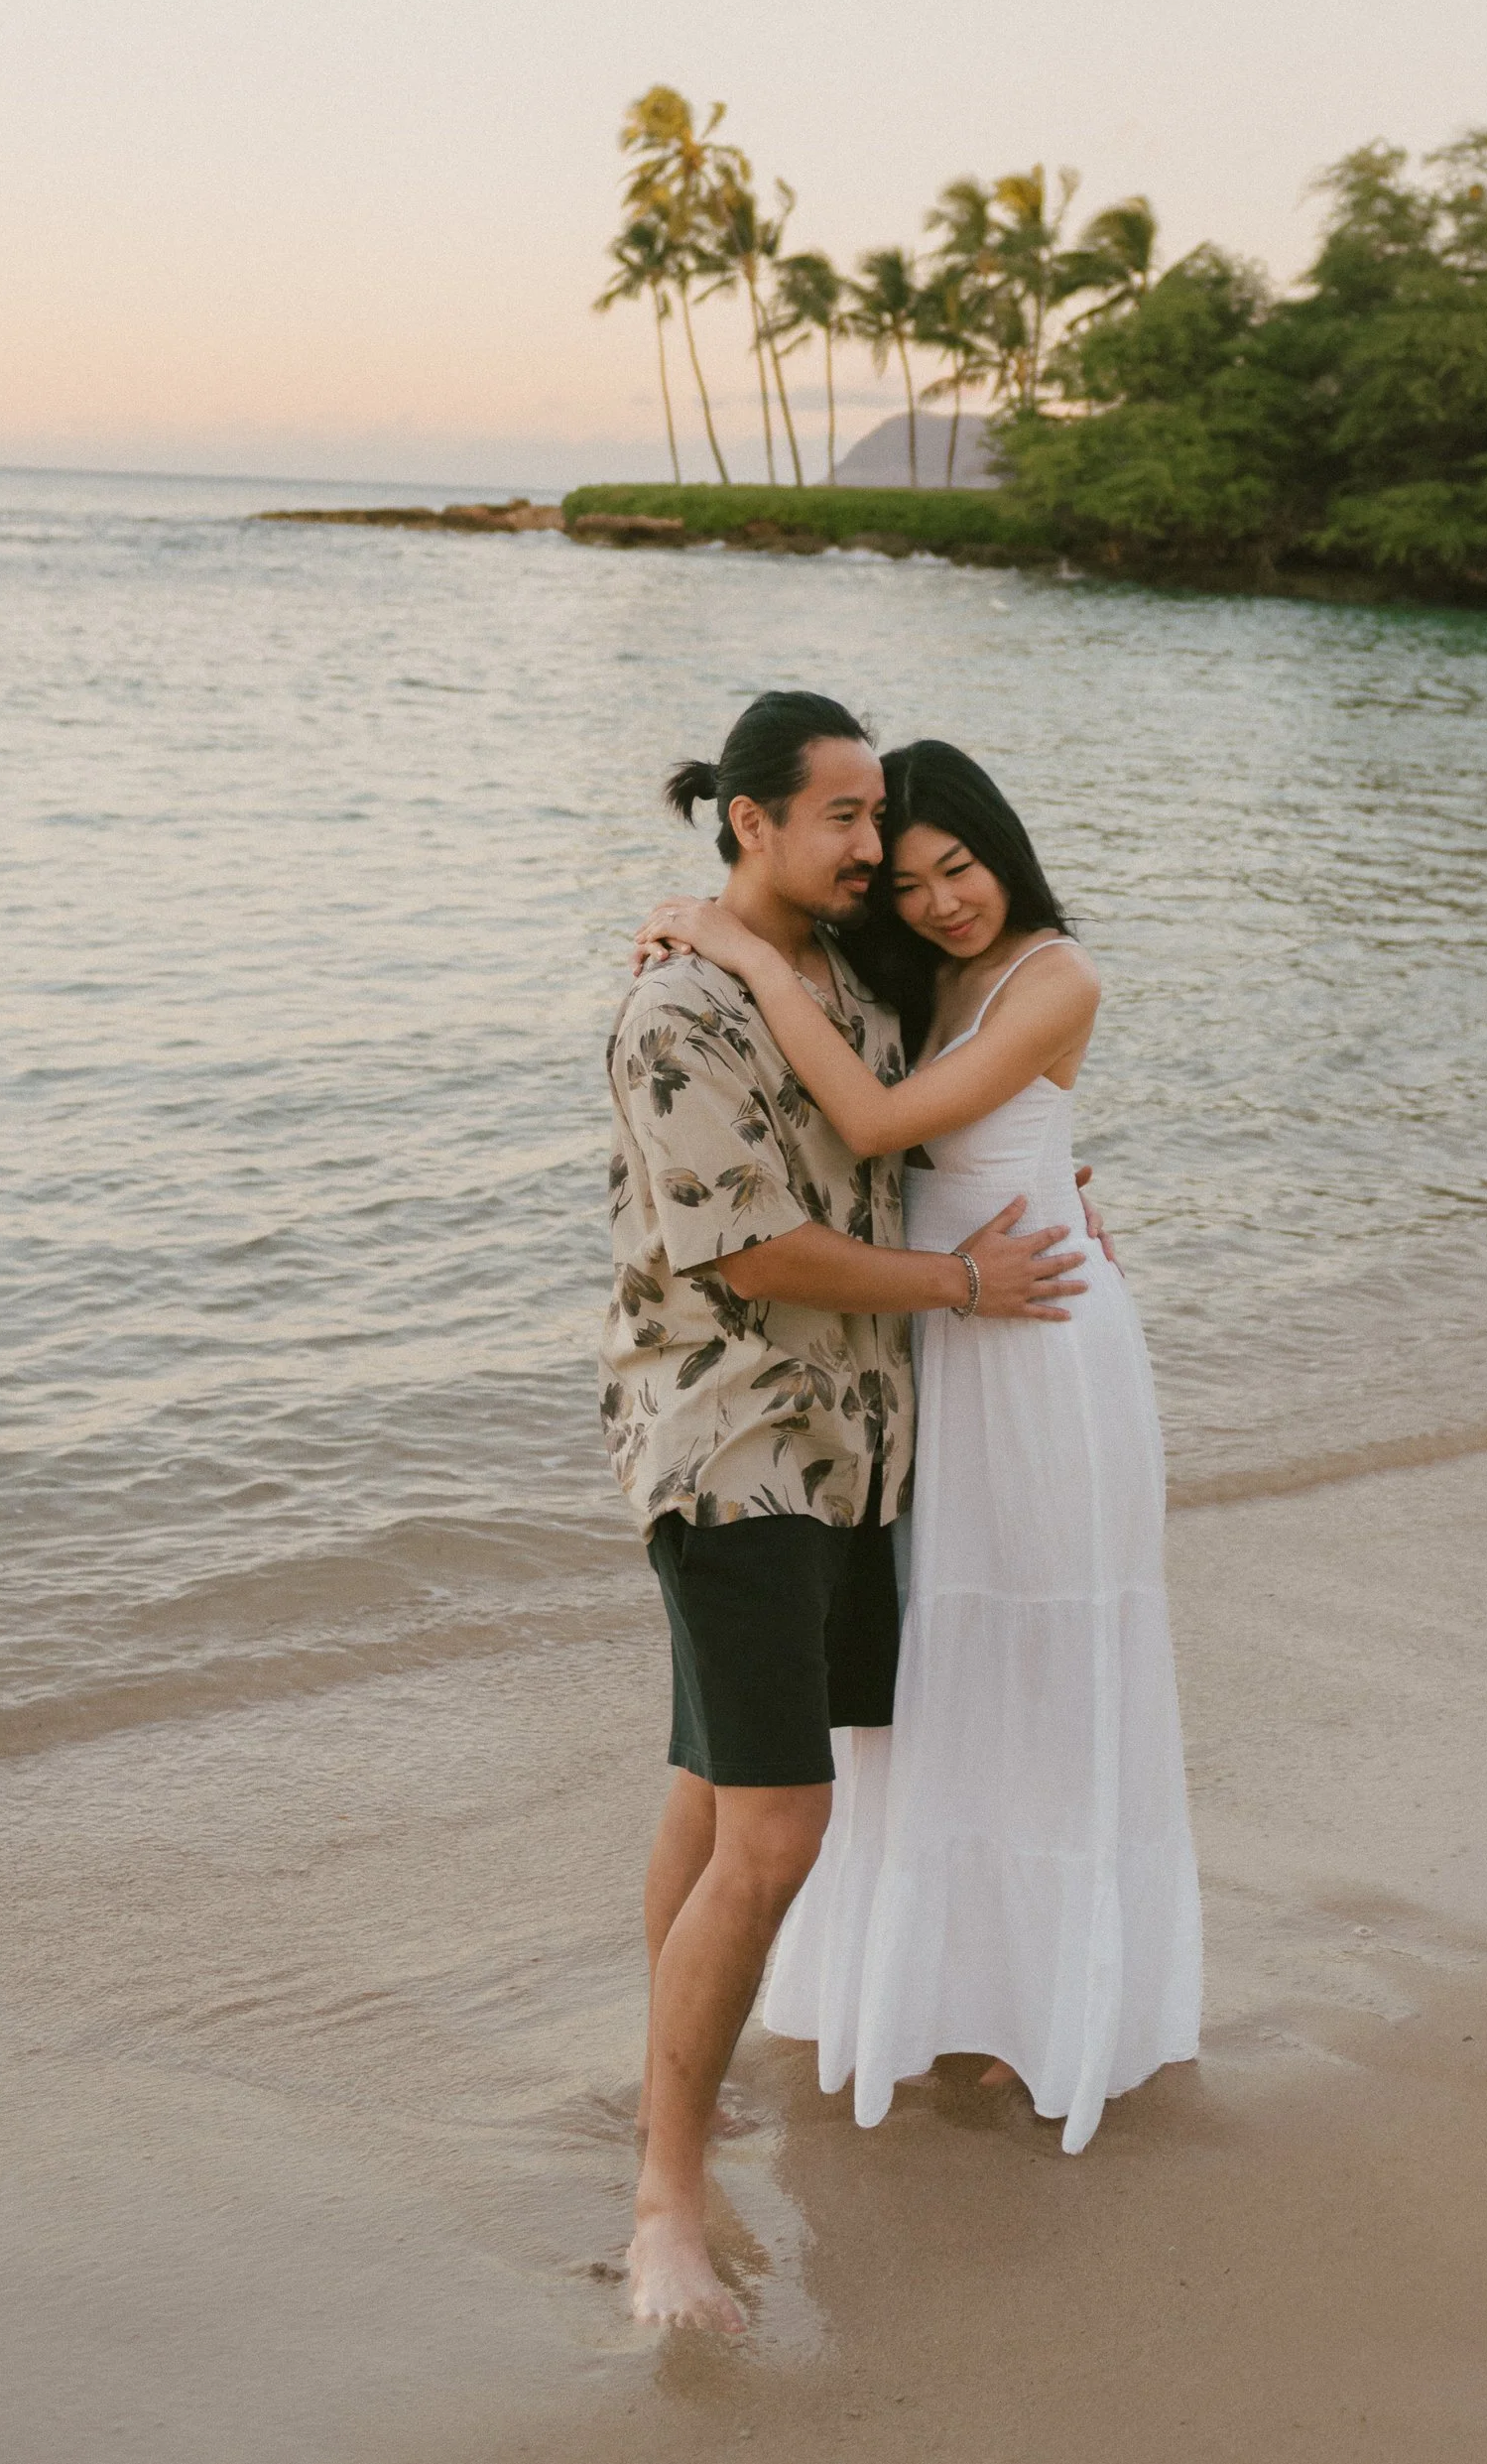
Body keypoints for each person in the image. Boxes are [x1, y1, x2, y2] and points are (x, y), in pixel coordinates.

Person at [637, 737, 1202, 2160]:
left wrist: (740, 955)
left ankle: (1060, 2011)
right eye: (909, 881)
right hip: (938, 1353)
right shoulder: (905, 979)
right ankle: (949, 1987)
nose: (945, 901)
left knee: (1051, 1672)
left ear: (1004, 849)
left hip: (1041, 1343)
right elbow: (868, 1117)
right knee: (939, 1683)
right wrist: (697, 938)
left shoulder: (1054, 972)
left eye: (961, 868)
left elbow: (881, 1118)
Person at [600, 692, 1089, 2334]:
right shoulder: (679, 1012)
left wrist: (1053, 1188)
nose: (877, 853)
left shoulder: (845, 988)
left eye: (886, 824)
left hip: (863, 1451)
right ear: (750, 821)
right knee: (780, 1829)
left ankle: (675, 2090)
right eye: (847, 821)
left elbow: (913, 1142)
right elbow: (756, 1256)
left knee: (711, 1784)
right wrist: (963, 1281)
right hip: (736, 1446)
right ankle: (665, 2204)